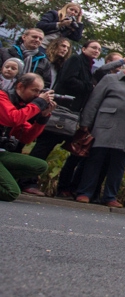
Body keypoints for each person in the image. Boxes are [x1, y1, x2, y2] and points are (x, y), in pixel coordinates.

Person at [25, 40, 103, 197]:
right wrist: (90, 87)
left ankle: (30, 179)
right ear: (83, 48)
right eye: (93, 47)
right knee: (44, 145)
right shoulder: (75, 60)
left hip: (70, 113)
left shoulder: (88, 66)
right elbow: (68, 80)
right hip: (60, 109)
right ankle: (26, 180)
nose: (96, 50)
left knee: (49, 145)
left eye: (99, 49)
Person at [74, 57, 125, 207]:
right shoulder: (110, 79)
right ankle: (85, 192)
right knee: (95, 161)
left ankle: (110, 196)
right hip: (105, 126)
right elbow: (94, 101)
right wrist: (86, 123)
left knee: (118, 165)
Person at [0, 73, 54, 201]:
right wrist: (39, 102)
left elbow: (26, 138)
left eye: (40, 92)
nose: (37, 95)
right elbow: (12, 119)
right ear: (20, 86)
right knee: (11, 192)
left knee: (40, 166)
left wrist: (43, 118)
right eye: (34, 90)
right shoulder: (2, 97)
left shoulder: (20, 106)